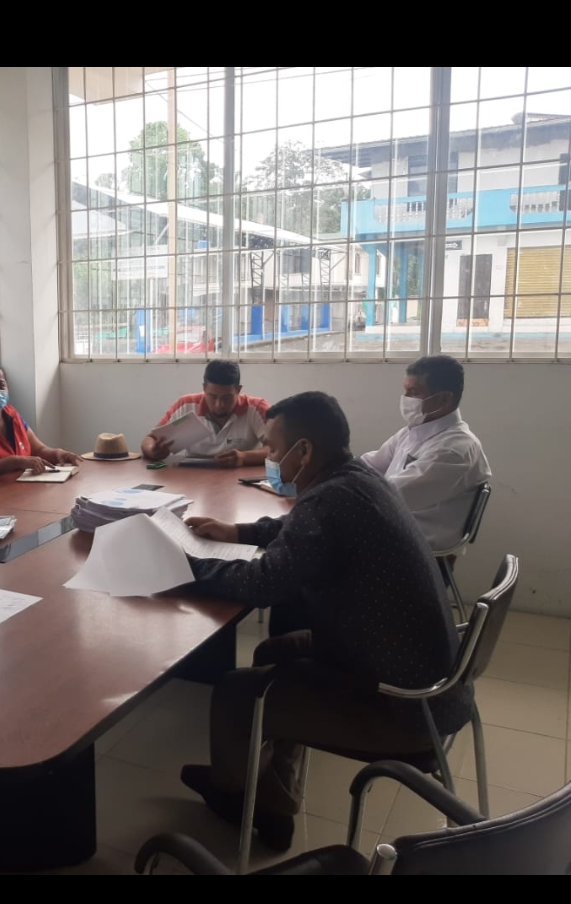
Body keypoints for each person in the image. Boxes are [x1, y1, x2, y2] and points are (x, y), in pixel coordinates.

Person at [179, 392, 472, 854]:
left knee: (236, 692)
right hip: (422, 677)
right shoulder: (356, 480)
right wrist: (239, 532)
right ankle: (275, 797)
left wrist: (187, 566)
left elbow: (262, 584)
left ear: (304, 451)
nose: (268, 456)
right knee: (273, 653)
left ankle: (236, 797)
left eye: (273, 448)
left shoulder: (330, 499)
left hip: (401, 708)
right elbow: (301, 528)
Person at [361, 357, 492, 555]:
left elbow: (391, 497)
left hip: (415, 554)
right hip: (392, 533)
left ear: (444, 399)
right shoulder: (413, 432)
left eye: (414, 392)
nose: (405, 398)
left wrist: (334, 490)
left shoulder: (455, 450)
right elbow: (370, 465)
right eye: (405, 391)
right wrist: (330, 471)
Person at [141, 360, 270, 470]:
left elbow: (277, 449)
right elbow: (150, 439)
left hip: (238, 477)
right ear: (204, 388)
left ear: (238, 390)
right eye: (213, 397)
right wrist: (152, 450)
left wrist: (244, 457)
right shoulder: (186, 405)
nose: (219, 405)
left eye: (226, 398)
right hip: (192, 477)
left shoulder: (256, 408)